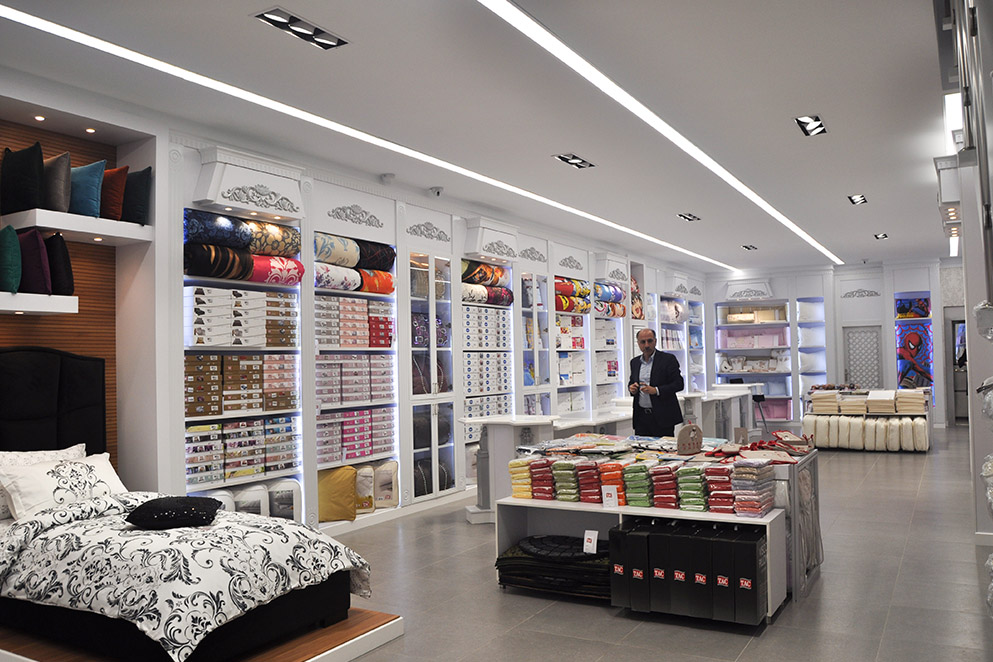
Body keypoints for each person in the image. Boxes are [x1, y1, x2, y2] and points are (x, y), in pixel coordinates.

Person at [628, 327, 684, 437]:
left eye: (650, 341)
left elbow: (679, 384)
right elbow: (632, 382)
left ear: (655, 341)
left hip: (662, 417)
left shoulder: (668, 359)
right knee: (641, 447)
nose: (646, 345)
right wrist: (632, 388)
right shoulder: (635, 362)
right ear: (638, 343)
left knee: (663, 447)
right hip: (641, 417)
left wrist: (656, 390)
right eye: (643, 342)